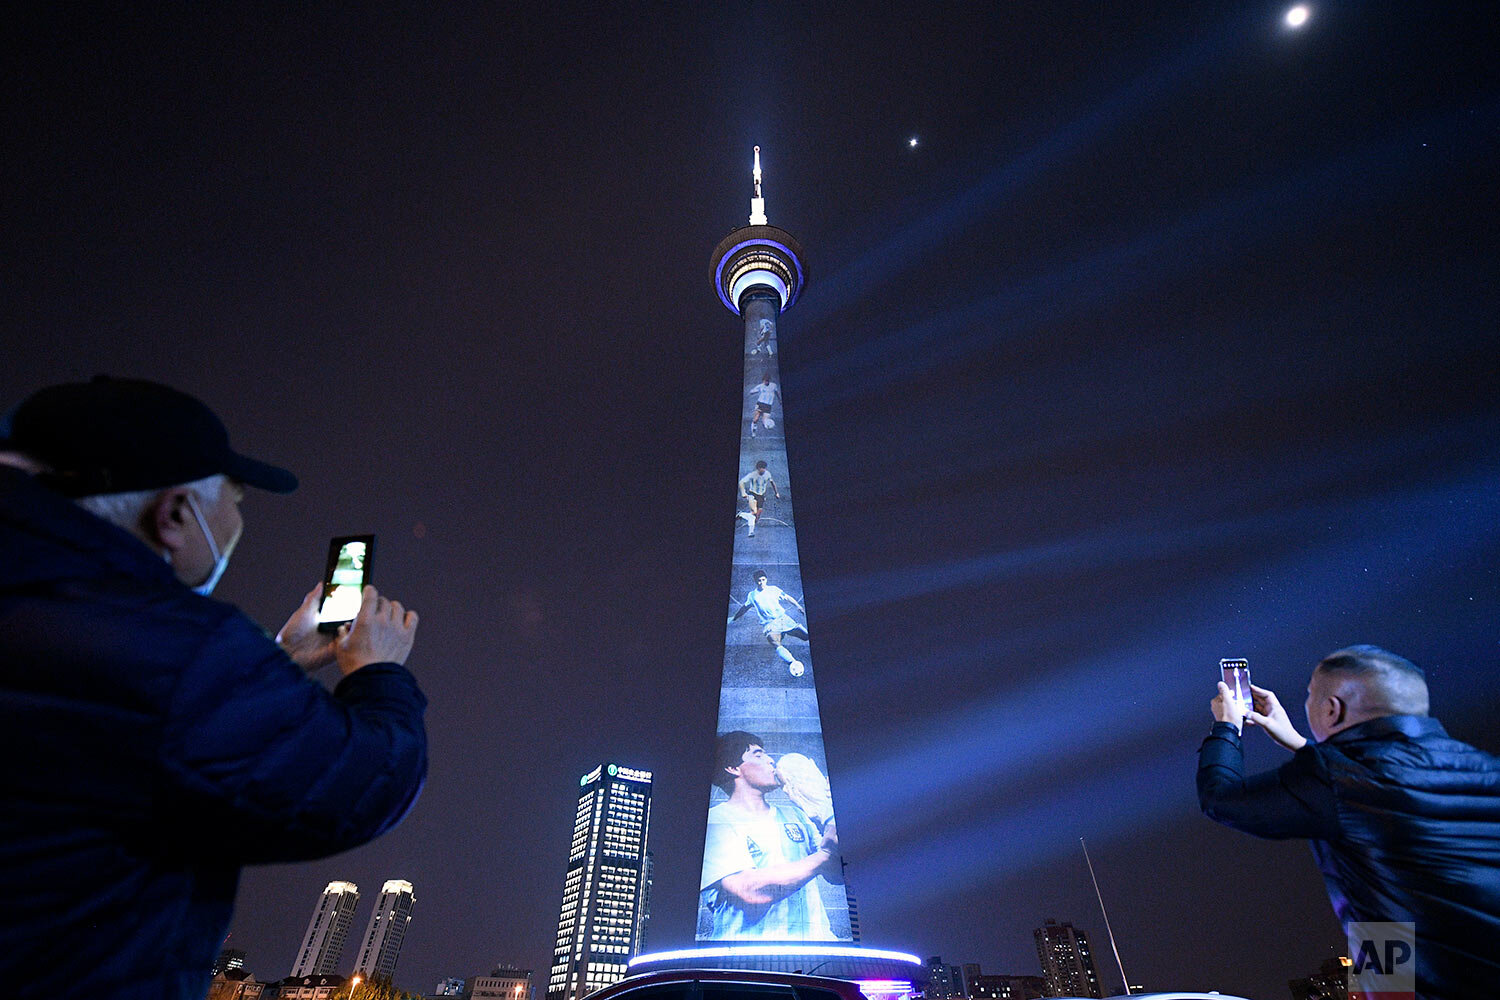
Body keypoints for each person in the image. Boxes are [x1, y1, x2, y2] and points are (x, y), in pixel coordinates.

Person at [0, 377, 428, 999]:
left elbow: (134, 738)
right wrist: (377, 671)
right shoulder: (174, 647)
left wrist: (275, 661)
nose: (237, 518)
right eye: (237, 499)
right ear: (174, 513)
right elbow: (363, 787)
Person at [1197, 645, 1500, 998]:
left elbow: (1221, 800)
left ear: (1331, 709)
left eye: (1311, 695)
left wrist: (1227, 728)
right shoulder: (1486, 769)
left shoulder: (1334, 779)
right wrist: (1301, 744)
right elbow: (1370, 783)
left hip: (1410, 976)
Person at [699, 731, 841, 940]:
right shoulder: (716, 821)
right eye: (758, 754)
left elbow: (836, 875)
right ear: (733, 768)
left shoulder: (796, 815)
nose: (770, 760)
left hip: (816, 953)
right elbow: (750, 890)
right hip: (746, 961)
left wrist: (830, 815)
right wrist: (825, 854)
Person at [729, 569, 809, 675]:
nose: (761, 582)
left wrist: (798, 606)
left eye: (763, 580)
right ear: (755, 581)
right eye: (759, 580)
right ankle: (793, 663)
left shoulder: (774, 589)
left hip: (783, 619)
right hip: (770, 624)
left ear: (766, 579)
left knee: (806, 636)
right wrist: (734, 618)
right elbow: (744, 608)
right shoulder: (752, 595)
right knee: (775, 643)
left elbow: (787, 597)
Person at [736, 460, 782, 537]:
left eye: (764, 468)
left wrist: (776, 493)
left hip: (761, 496)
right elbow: (741, 482)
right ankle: (751, 532)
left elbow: (772, 483)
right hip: (752, 494)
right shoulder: (752, 475)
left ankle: (741, 514)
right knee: (753, 512)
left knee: (756, 518)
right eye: (761, 468)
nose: (763, 470)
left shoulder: (767, 474)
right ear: (758, 468)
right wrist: (743, 492)